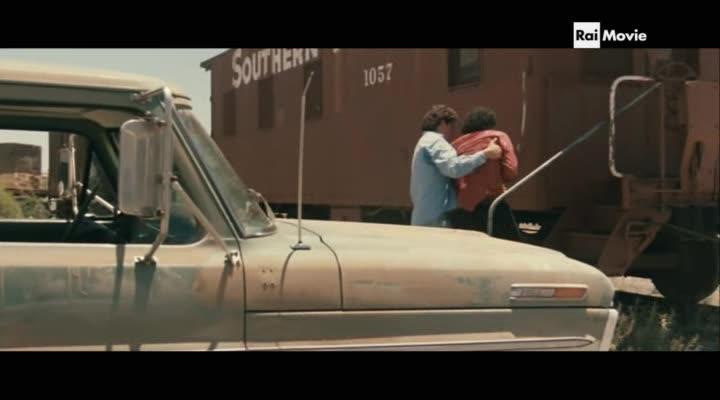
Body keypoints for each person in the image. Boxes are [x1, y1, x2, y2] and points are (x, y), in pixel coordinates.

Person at [409, 105, 502, 227]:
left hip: (425, 214)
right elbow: (453, 168)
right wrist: (485, 154)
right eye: (452, 126)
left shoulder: (425, 141)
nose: (454, 132)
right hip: (436, 218)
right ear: (443, 123)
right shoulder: (436, 142)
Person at [447, 107, 521, 240]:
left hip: (462, 205)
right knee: (509, 244)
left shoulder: (455, 144)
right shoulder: (498, 137)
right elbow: (511, 169)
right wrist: (500, 180)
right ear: (490, 123)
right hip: (491, 201)